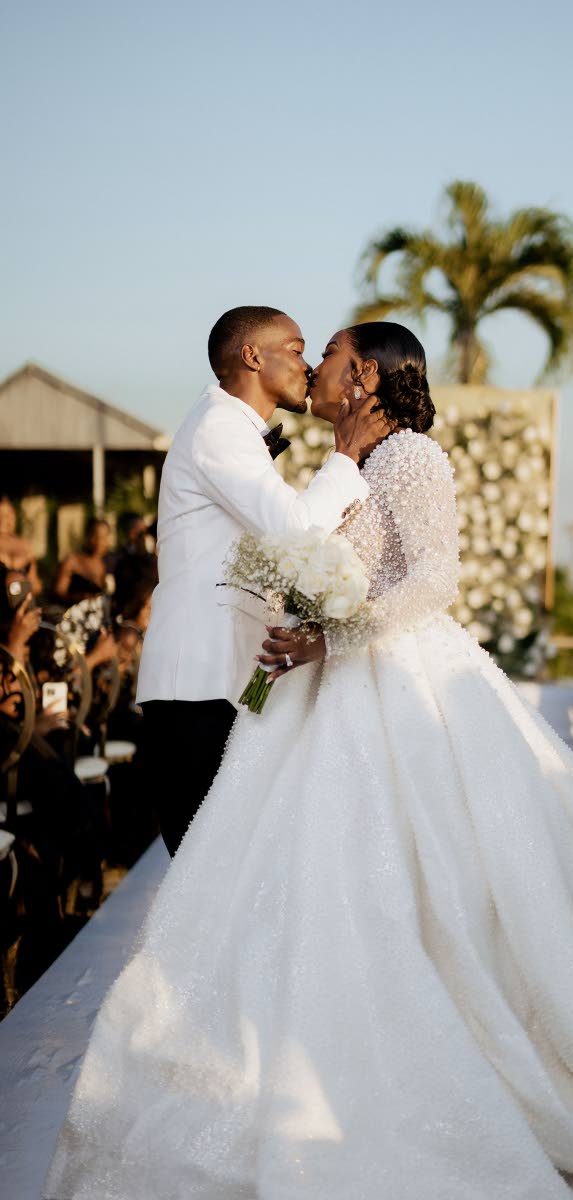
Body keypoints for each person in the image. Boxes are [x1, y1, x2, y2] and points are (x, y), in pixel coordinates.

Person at [45, 323, 573, 1200]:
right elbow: (313, 551)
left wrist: (332, 635)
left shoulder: (412, 460)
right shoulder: (348, 465)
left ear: (364, 374)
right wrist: (308, 623)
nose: (316, 364)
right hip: (321, 692)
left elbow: (433, 581)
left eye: (327, 351)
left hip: (403, 687)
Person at [134, 305, 388, 855]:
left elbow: (270, 562)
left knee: (228, 867)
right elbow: (294, 529)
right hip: (195, 683)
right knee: (203, 867)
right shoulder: (219, 426)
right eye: (296, 349)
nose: (308, 365)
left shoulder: (235, 431)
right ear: (252, 356)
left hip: (232, 680)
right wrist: (345, 456)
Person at [53, 517, 114, 606]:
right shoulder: (72, 561)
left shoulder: (105, 563)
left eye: (104, 538)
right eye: (95, 536)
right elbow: (58, 592)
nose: (99, 542)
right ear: (87, 536)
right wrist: (78, 598)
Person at [0, 495, 42, 595]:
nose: (4, 519)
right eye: (0, 514)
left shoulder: (25, 545)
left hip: (22, 602)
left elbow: (36, 585)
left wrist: (21, 583)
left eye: (9, 515)